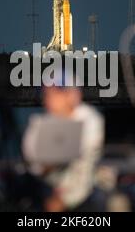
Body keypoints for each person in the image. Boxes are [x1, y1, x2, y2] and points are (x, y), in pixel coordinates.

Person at [22, 71, 105, 212]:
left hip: (84, 196)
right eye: (47, 93)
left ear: (72, 94)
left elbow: (82, 162)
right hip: (47, 192)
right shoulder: (39, 123)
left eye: (56, 93)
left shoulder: (90, 120)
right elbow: (32, 161)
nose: (49, 99)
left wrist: (65, 199)